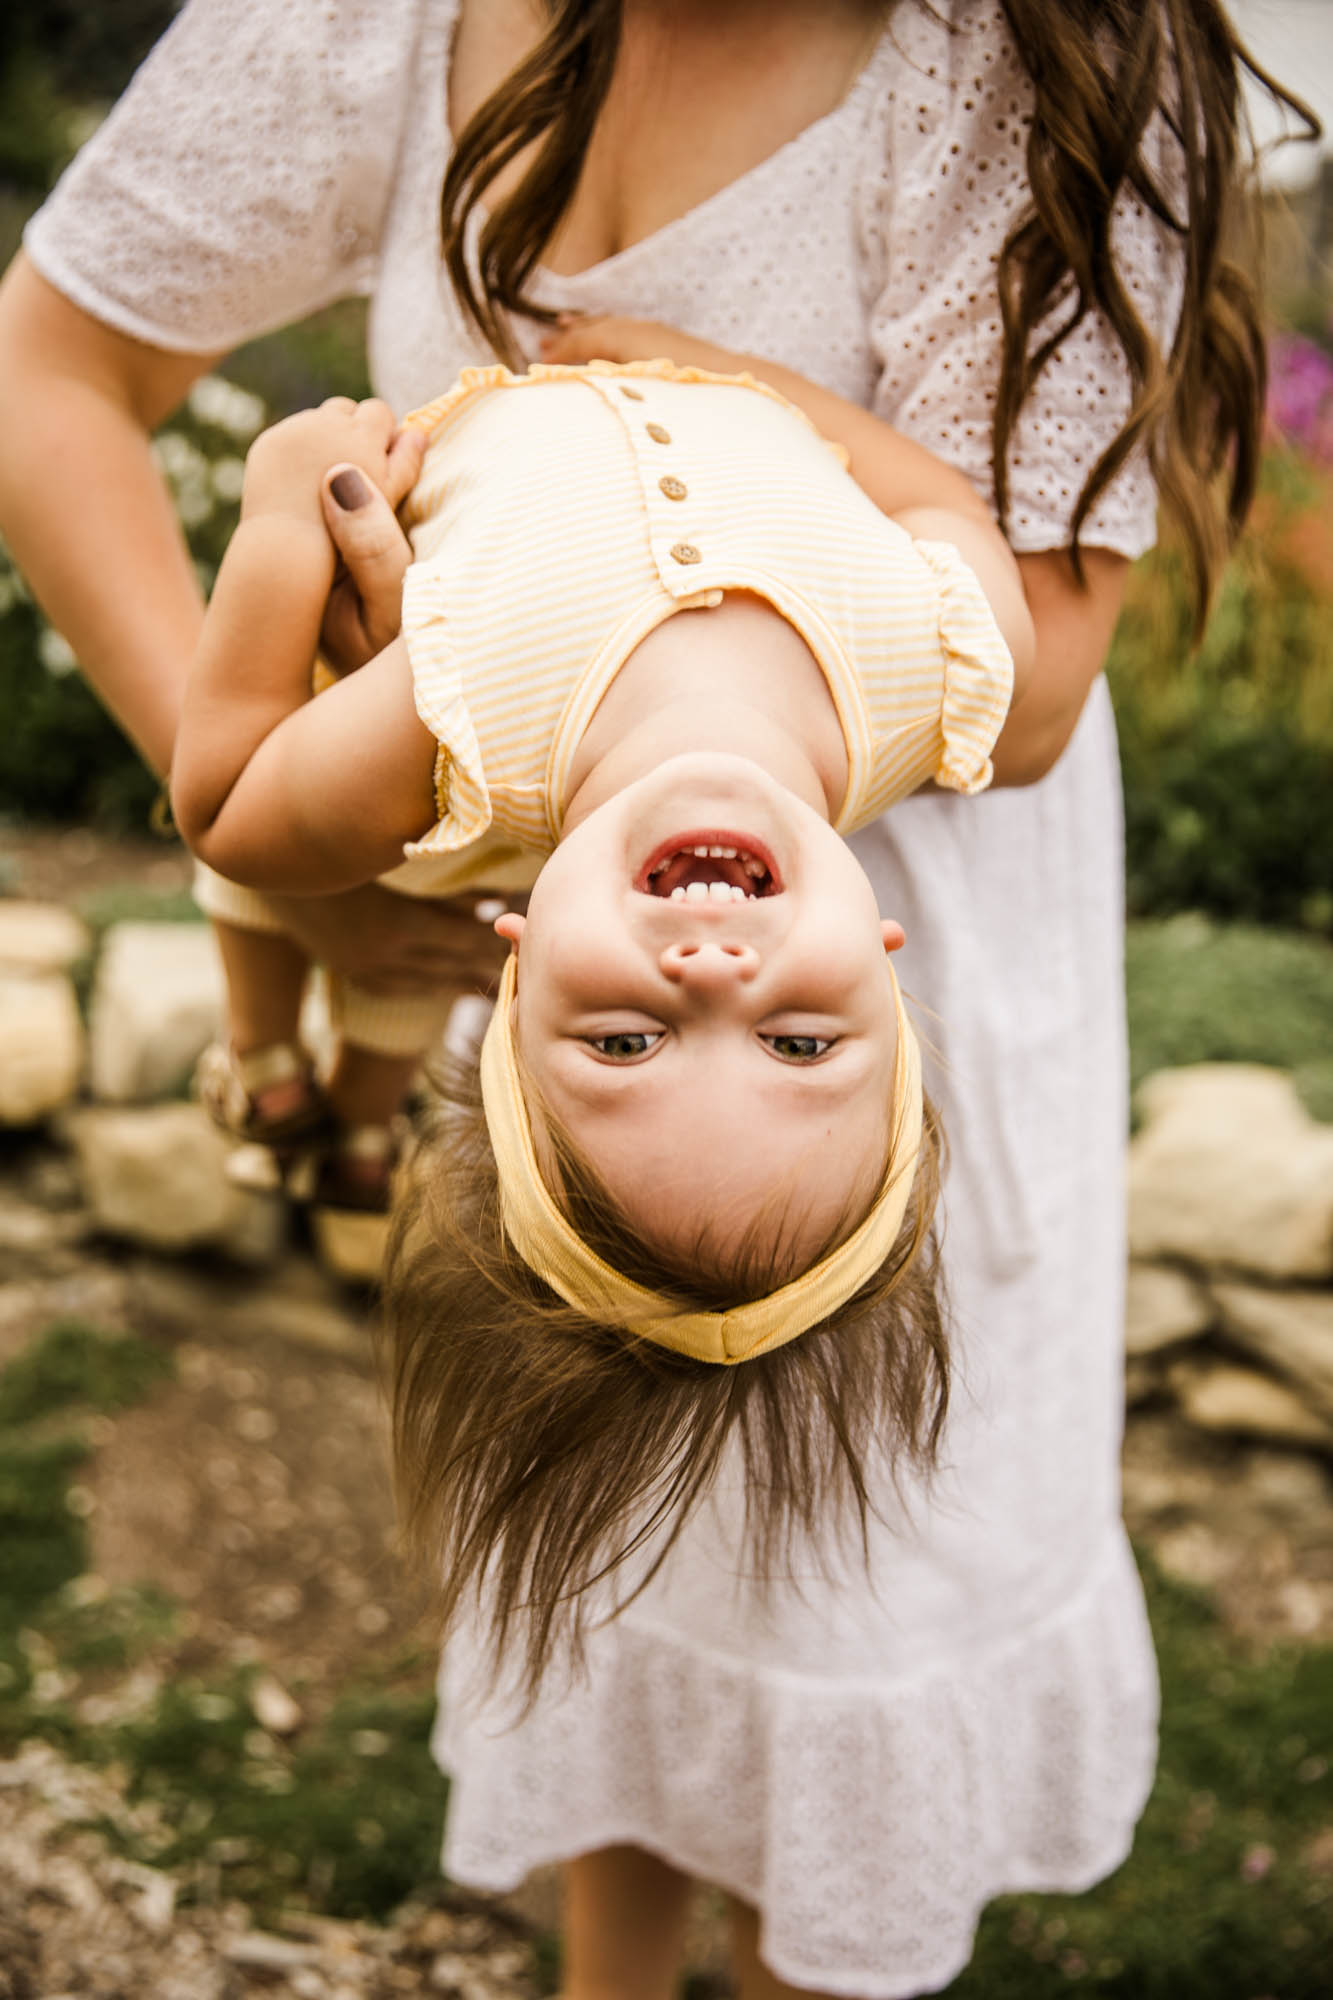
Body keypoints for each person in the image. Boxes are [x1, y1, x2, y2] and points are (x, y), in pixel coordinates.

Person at [0, 3, 1307, 1994]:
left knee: (842, 1608)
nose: (708, 982)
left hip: (882, 1008)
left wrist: (308, 569)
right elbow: (57, 371)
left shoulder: (1048, 62)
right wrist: (340, 902)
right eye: (750, 1021)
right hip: (647, 965)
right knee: (617, 1578)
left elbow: (1035, 683)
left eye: (641, 1024)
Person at [171, 360, 1024, 1294]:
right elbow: (947, 505)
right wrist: (717, 366)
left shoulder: (452, 718)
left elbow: (224, 813)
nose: (710, 975)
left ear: (520, 983)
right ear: (882, 966)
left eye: (624, 1043)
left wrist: (286, 520)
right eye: (797, 1044)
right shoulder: (950, 665)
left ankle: (290, 1086)